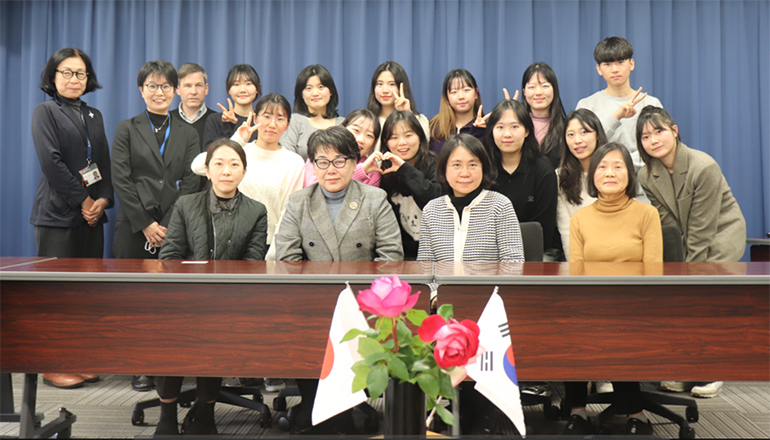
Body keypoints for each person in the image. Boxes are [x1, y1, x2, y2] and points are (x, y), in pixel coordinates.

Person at [275, 126, 403, 434]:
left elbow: (391, 257)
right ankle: (313, 402)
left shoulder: (375, 198)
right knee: (302, 327)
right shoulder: (299, 201)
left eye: (340, 160)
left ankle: (340, 406)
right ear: (312, 165)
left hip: (363, 303)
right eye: (322, 161)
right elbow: (287, 259)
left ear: (354, 161)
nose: (331, 169)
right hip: (311, 300)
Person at [156, 139, 268, 435]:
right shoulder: (186, 204)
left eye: (234, 164)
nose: (226, 171)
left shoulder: (256, 211)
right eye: (218, 164)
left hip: (228, 301)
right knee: (171, 334)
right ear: (207, 170)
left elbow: (253, 263)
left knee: (217, 331)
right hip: (184, 299)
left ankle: (205, 411)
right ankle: (166, 415)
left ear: (244, 171)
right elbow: (169, 256)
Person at [637, 105, 746, 399]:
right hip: (686, 240)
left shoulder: (703, 166)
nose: (653, 140)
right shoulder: (647, 175)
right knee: (676, 299)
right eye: (646, 137)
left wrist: (690, 272)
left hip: (720, 235)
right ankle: (684, 367)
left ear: (674, 131)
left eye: (659, 131)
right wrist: (676, 268)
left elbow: (703, 227)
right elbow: (667, 225)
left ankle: (712, 370)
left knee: (703, 297)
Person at [111, 60, 200, 392]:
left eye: (165, 86)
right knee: (135, 299)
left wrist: (168, 225)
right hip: (134, 225)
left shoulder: (188, 133)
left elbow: (192, 181)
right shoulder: (126, 128)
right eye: (152, 85)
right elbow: (120, 177)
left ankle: (172, 361)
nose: (159, 92)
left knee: (170, 299)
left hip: (175, 227)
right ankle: (140, 365)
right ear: (141, 90)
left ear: (175, 91)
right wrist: (146, 223)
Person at [563, 142, 662, 436]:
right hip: (591, 303)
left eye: (618, 167)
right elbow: (577, 271)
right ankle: (577, 411)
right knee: (570, 326)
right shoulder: (580, 217)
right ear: (592, 175)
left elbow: (653, 270)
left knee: (621, 326)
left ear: (630, 175)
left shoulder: (646, 214)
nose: (610, 173)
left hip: (635, 304)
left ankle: (636, 413)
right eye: (603, 167)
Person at [31, 48, 113, 390]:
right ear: (53, 77)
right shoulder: (44, 112)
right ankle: (51, 364)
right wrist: (84, 200)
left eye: (80, 73)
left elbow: (104, 164)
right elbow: (52, 164)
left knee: (84, 294)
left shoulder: (93, 114)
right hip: (57, 216)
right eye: (66, 73)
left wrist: (103, 199)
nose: (73, 79)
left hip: (91, 218)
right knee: (56, 295)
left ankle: (77, 358)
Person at [192, 93, 304, 262]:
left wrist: (273, 255)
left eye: (280, 119)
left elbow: (287, 214)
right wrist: (237, 141)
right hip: (224, 240)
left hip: (267, 246)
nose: (272, 124)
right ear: (255, 117)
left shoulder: (294, 162)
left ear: (287, 124)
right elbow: (198, 166)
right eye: (266, 117)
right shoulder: (240, 151)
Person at [418, 134, 524, 262]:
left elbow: (514, 263)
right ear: (444, 169)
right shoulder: (431, 210)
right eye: (457, 165)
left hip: (489, 282)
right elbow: (425, 268)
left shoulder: (500, 206)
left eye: (472, 165)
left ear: (483, 168)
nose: (465, 173)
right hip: (443, 283)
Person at [575, 36, 663, 174]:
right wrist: (617, 116)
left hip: (644, 183)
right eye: (607, 64)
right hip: (603, 180)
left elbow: (659, 146)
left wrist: (621, 165)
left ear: (631, 64)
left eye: (621, 62)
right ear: (599, 69)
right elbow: (587, 146)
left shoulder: (651, 103)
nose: (615, 69)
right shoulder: (587, 105)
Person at [485, 99, 559, 260]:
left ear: (527, 131)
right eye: (500, 127)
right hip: (490, 250)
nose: (507, 134)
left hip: (536, 251)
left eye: (514, 127)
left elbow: (543, 229)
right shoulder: (484, 169)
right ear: (491, 131)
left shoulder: (543, 171)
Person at [374, 110, 442, 259]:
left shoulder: (436, 163)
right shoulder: (383, 171)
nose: (402, 142)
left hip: (436, 252)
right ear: (386, 142)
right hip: (399, 256)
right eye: (394, 137)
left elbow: (435, 202)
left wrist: (404, 169)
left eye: (408, 135)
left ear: (420, 137)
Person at [556, 109, 607, 260]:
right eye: (570, 135)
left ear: (597, 135)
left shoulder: (613, 172)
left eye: (584, 132)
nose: (577, 140)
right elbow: (566, 231)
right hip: (581, 260)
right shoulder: (560, 177)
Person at [304, 108, 383, 188]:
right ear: (342, 128)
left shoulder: (372, 169)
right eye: (356, 130)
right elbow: (314, 189)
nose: (361, 140)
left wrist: (363, 169)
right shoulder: (320, 155)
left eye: (369, 135)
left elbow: (369, 198)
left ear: (374, 143)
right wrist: (360, 170)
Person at [280, 64, 345, 160]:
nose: (315, 93)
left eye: (321, 87)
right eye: (308, 88)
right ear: (301, 94)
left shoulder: (344, 123)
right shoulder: (293, 121)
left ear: (331, 91)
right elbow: (286, 158)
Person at [367, 61, 430, 150]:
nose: (385, 90)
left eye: (391, 84)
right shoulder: (367, 122)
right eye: (380, 84)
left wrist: (407, 115)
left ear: (402, 87)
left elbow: (422, 150)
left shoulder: (420, 120)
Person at [202, 64, 261, 149]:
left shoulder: (262, 121)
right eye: (236, 84)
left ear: (257, 89)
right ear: (228, 90)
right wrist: (228, 125)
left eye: (248, 84)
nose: (243, 90)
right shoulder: (215, 120)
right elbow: (210, 155)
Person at [428, 69, 485, 154]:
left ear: (476, 93)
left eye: (466, 90)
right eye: (454, 92)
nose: (461, 96)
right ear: (447, 97)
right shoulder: (433, 128)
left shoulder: (485, 131)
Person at [521, 62, 566, 168]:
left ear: (554, 90)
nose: (538, 92)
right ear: (524, 92)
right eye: (532, 87)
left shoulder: (566, 127)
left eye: (545, 86)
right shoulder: (516, 125)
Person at [172, 62, 214, 147]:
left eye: (198, 85)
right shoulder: (167, 121)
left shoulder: (217, 121)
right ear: (178, 89)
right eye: (187, 86)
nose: (193, 92)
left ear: (206, 89)